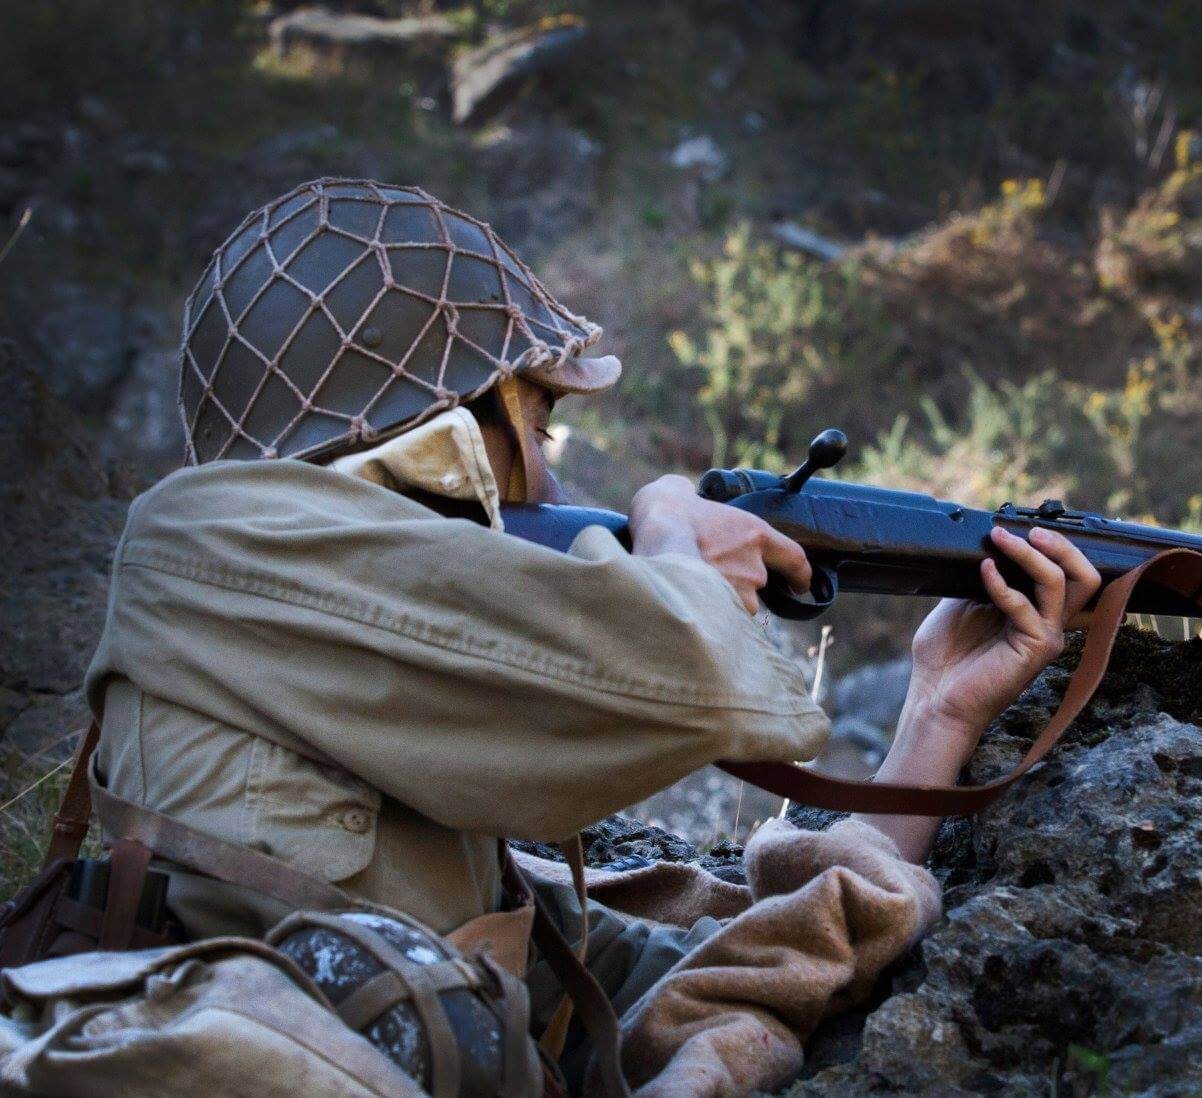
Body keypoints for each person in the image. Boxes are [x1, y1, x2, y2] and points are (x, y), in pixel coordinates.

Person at [83, 178, 1101, 1093]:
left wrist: (936, 711)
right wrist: (666, 530)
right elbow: (703, 682)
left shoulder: (374, 689)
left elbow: (691, 984)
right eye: (540, 430)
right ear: (450, 443)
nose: (558, 481)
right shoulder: (203, 541)